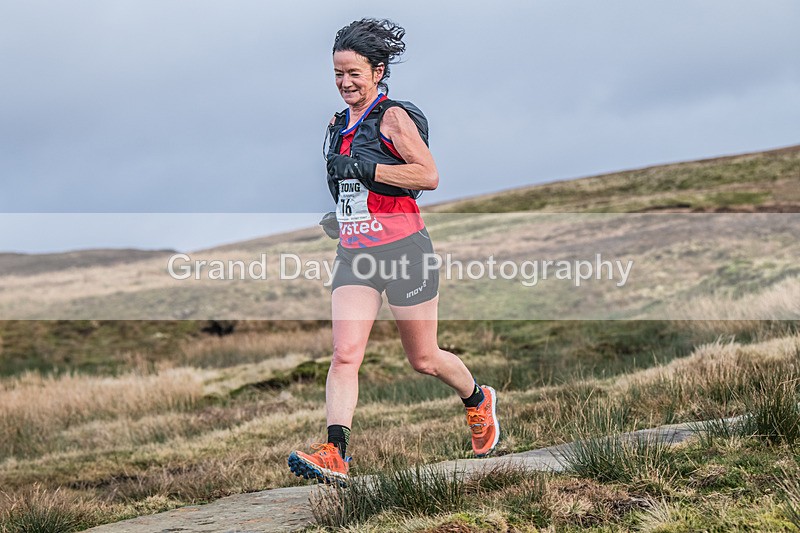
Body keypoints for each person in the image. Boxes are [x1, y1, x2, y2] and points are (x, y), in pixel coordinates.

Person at [287, 18, 499, 485]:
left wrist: (366, 169)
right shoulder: (337, 125)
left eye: (354, 74)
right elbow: (350, 183)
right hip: (356, 253)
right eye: (338, 74)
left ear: (378, 72)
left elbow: (426, 176)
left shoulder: (393, 118)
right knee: (345, 354)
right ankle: (335, 452)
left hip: (405, 249)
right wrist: (341, 216)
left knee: (424, 359)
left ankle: (477, 400)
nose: (344, 83)